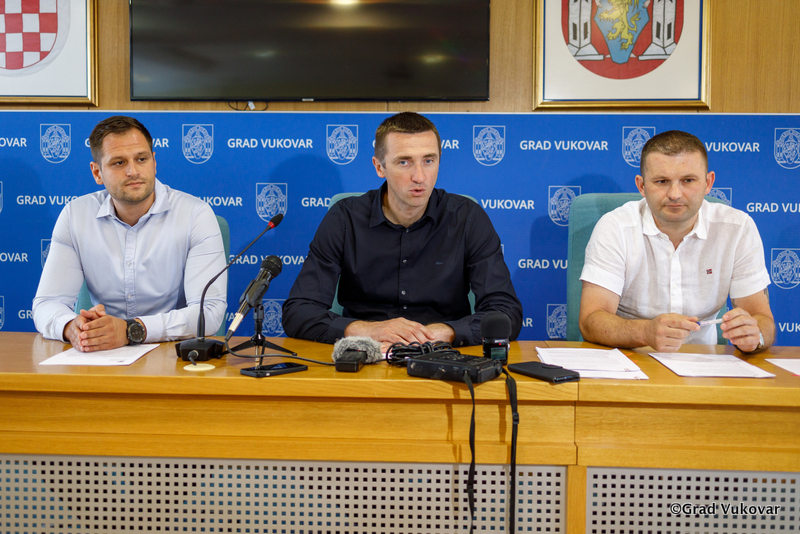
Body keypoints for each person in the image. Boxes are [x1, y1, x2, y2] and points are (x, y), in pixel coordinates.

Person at [282, 112, 522, 347]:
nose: (419, 177)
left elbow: (506, 312)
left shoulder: (468, 218)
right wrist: (367, 330)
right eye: (404, 162)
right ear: (379, 167)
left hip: (442, 354)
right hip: (366, 353)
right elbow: (298, 312)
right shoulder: (344, 219)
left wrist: (444, 333)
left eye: (428, 161)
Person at [33, 116, 227, 352]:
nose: (133, 171)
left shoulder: (195, 214)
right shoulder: (75, 215)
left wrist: (130, 330)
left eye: (141, 159)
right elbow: (47, 304)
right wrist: (71, 327)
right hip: (101, 353)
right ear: (97, 172)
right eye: (119, 163)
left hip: (171, 353)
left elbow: (209, 312)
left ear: (154, 162)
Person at [579, 130, 774, 353]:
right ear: (641, 186)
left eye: (687, 181)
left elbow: (762, 319)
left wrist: (756, 335)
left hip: (705, 364)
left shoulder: (737, 228)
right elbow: (591, 320)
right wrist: (645, 332)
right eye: (662, 181)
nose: (674, 194)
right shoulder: (615, 227)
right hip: (630, 359)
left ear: (708, 182)